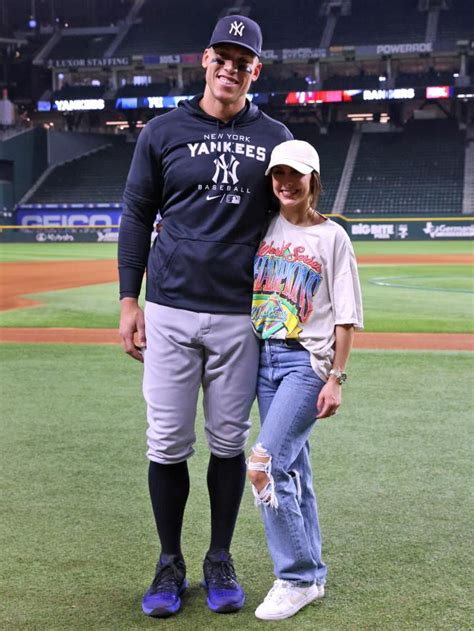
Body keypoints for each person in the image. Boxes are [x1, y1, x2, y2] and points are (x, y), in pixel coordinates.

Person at [118, 14, 292, 618]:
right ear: (205, 60)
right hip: (167, 308)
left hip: (239, 317)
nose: (231, 67)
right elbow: (138, 214)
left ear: (255, 70)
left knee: (226, 443)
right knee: (167, 443)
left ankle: (219, 555)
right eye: (223, 56)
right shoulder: (162, 131)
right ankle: (170, 561)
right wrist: (127, 302)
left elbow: (291, 217)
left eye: (243, 60)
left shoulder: (275, 136)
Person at [247, 140, 363, 621]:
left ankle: (295, 578)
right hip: (264, 360)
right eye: (278, 175)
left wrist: (336, 377)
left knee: (264, 466)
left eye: (296, 175)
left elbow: (347, 316)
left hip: (305, 364)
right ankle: (311, 575)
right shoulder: (265, 225)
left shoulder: (332, 237)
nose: (286, 183)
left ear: (313, 180)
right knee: (294, 472)